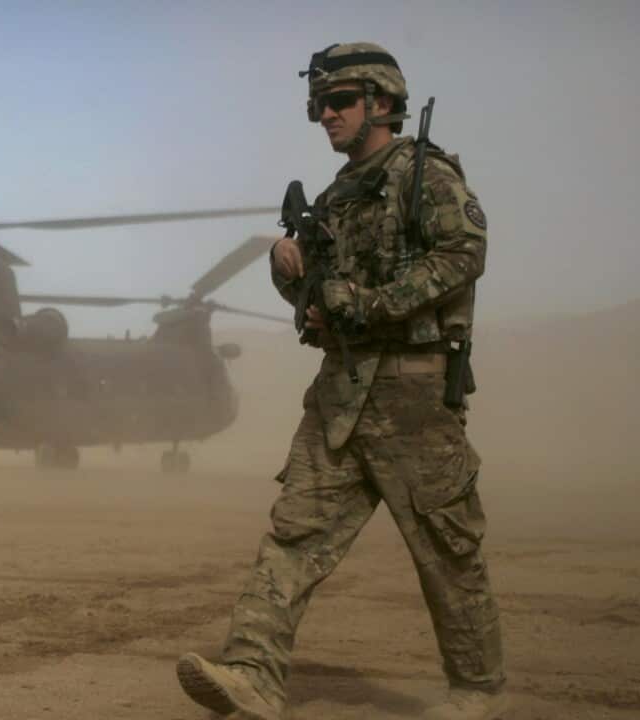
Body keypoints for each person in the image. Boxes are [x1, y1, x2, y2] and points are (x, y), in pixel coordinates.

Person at [175, 43, 505, 720]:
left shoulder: (425, 176)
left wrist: (371, 303)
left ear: (381, 103)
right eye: (318, 104)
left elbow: (463, 254)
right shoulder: (336, 198)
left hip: (412, 395)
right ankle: (254, 676)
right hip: (341, 393)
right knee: (294, 536)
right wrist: (288, 267)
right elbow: (319, 308)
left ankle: (478, 690)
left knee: (445, 550)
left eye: (340, 101)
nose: (325, 115)